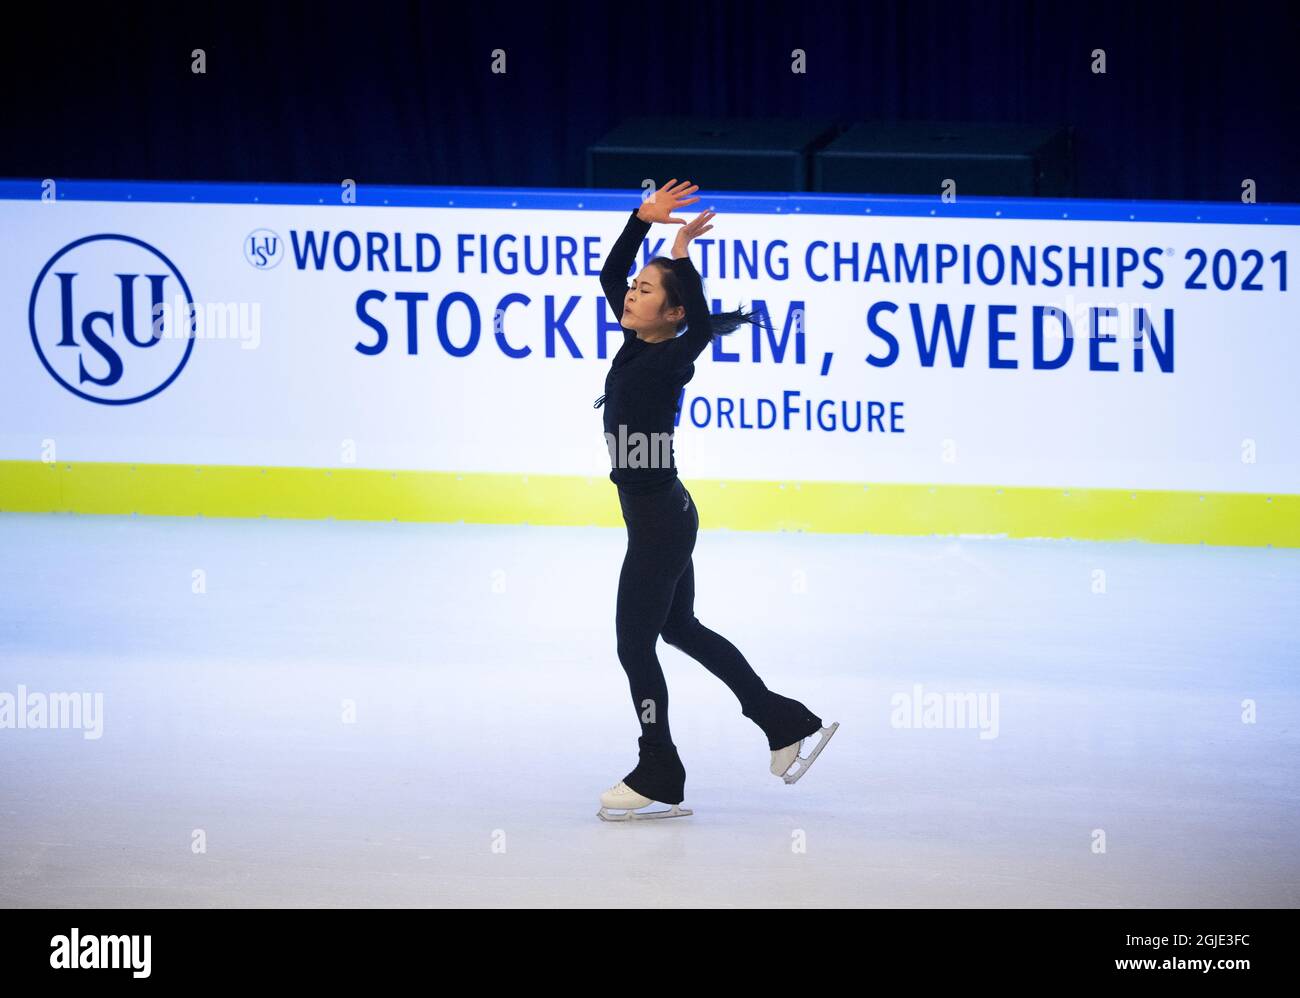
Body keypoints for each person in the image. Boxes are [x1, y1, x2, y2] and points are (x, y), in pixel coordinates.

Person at [593, 178, 839, 821]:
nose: (630, 292)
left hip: (659, 524)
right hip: (665, 514)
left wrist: (682, 265)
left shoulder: (669, 360)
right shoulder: (636, 342)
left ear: (671, 314)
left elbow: (697, 321)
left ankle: (659, 770)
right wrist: (643, 223)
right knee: (679, 629)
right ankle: (781, 720)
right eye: (635, 287)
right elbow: (610, 274)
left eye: (646, 291)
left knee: (634, 646)